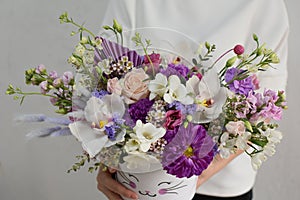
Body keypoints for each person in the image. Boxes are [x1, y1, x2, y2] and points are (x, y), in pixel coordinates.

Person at [96, 0, 289, 199]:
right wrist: (107, 165)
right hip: (139, 182)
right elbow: (102, 79)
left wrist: (196, 173)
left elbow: (268, 106)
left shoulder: (265, 4)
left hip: (220, 184)